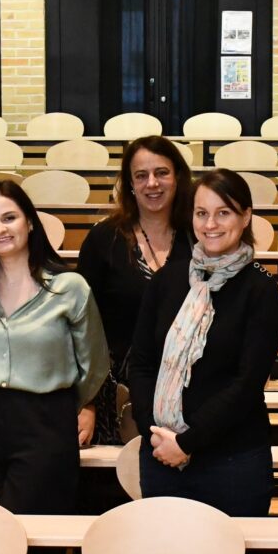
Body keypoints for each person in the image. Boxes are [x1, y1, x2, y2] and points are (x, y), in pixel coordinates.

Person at [128, 168, 278, 554]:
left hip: (233, 461)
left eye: (223, 213)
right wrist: (155, 435)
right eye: (201, 213)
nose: (211, 224)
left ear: (246, 216)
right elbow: (141, 364)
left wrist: (187, 443)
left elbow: (246, 384)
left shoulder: (261, 289)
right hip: (162, 456)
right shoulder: (168, 282)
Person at [0, 180, 109, 515]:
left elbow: (93, 365)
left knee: (34, 531)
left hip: (45, 423)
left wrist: (60, 407)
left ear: (30, 222)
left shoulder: (70, 288)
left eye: (9, 218)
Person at [77, 135, 193, 446]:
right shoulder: (103, 240)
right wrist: (85, 401)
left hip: (189, 391)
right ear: (129, 183)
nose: (152, 183)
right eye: (141, 175)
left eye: (162, 173)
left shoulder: (199, 237)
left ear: (178, 177)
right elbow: (83, 327)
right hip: (116, 394)